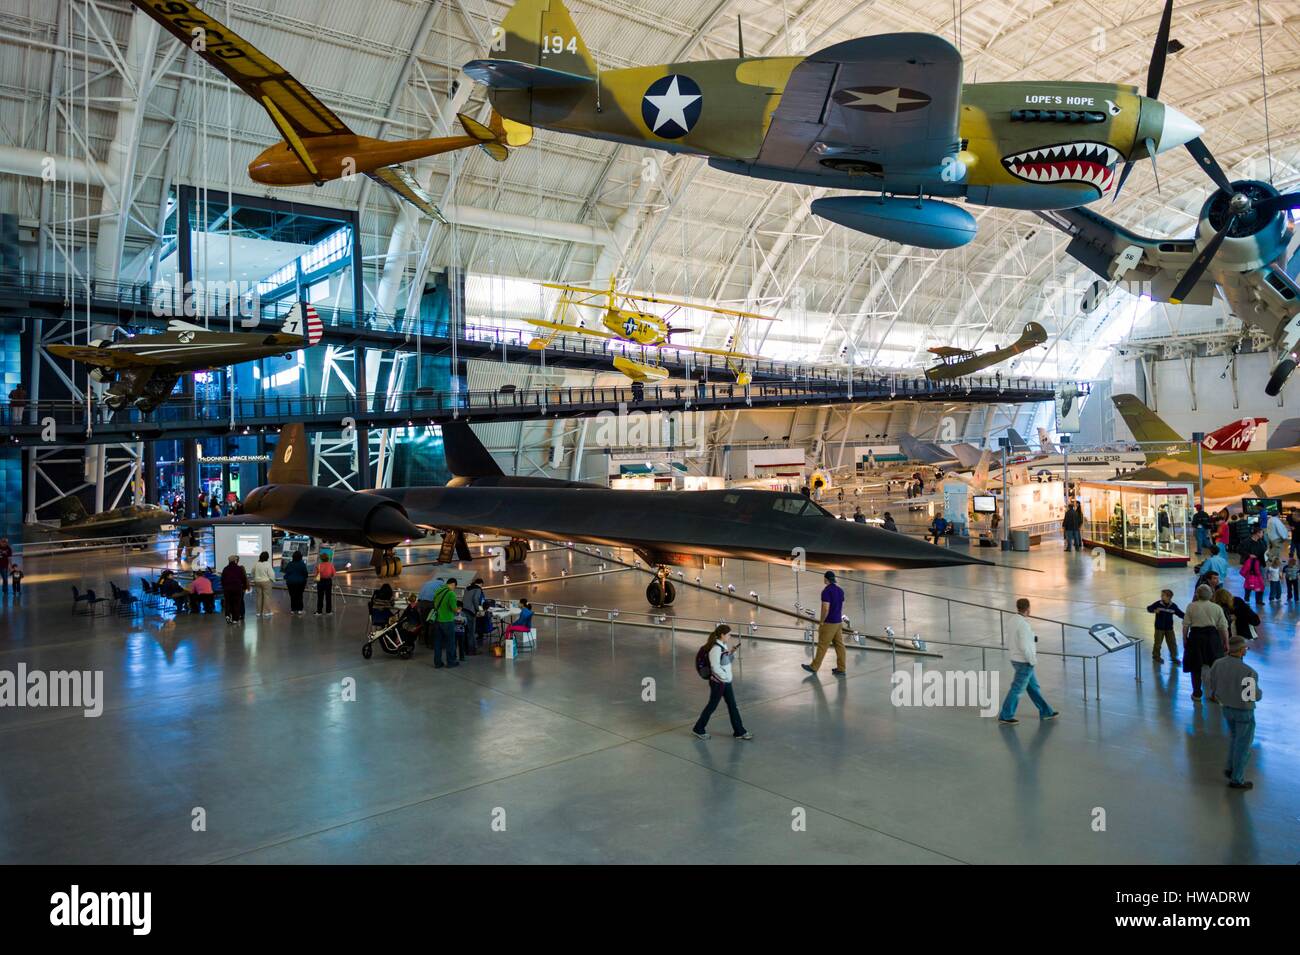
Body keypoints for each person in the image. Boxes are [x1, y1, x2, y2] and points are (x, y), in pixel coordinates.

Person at [1206, 635, 1262, 791]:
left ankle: (1230, 768)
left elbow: (1212, 683)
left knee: (1234, 738)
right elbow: (1252, 696)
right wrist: (1260, 693)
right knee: (1243, 746)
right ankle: (1237, 779)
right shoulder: (1248, 672)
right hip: (1244, 712)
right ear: (1242, 650)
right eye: (1246, 648)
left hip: (1226, 708)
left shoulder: (1218, 664)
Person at [997, 597, 1059, 724]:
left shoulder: (1013, 620)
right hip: (1024, 662)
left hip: (1015, 658)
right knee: (1017, 689)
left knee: (1033, 687)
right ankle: (1005, 715)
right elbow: (1024, 646)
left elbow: (1015, 639)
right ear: (1028, 609)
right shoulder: (1023, 624)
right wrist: (1032, 660)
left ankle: (1046, 711)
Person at [691, 625, 752, 741]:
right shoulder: (715, 649)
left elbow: (725, 662)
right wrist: (724, 677)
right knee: (712, 706)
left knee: (732, 706)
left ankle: (739, 731)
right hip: (719, 683)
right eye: (728, 634)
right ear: (722, 635)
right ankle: (698, 728)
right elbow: (715, 667)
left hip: (725, 682)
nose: (730, 636)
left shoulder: (722, 646)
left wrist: (732, 653)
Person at [1182, 585, 1229, 701]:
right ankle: (1216, 694)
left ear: (1197, 594)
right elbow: (1223, 627)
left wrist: (1185, 639)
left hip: (1196, 637)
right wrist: (1226, 642)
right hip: (1212, 637)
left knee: (1195, 666)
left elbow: (1185, 625)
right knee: (1215, 666)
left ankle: (1197, 693)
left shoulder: (1191, 606)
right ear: (1211, 595)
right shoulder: (1217, 608)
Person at [801, 570, 846, 677]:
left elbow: (825, 608)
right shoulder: (840, 590)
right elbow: (840, 604)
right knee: (840, 646)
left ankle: (814, 667)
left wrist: (821, 621)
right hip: (838, 622)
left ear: (826, 579)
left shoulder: (826, 591)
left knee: (822, 645)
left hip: (829, 623)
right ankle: (841, 668)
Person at [427, 577, 460, 669]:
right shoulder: (451, 594)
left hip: (437, 620)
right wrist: (458, 610)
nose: (454, 589)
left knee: (438, 643)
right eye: (455, 587)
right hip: (447, 621)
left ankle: (437, 663)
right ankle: (451, 662)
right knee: (450, 643)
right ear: (453, 584)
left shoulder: (438, 591)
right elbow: (454, 608)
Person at [1146, 589, 1183, 664]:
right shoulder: (1158, 604)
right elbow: (1149, 608)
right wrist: (1154, 610)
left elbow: (1180, 614)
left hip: (1169, 628)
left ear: (1168, 597)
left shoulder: (1173, 606)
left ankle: (1174, 657)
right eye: (1161, 595)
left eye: (1163, 595)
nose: (1161, 596)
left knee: (1172, 643)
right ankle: (1156, 656)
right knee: (1158, 643)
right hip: (1159, 628)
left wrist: (1188, 618)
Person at [417, 574, 445, 649]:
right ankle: (431, 644)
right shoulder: (442, 584)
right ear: (442, 581)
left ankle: (422, 641)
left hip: (420, 604)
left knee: (423, 623)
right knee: (432, 623)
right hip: (430, 604)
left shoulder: (427, 582)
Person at [220, 555, 248, 625]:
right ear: (235, 561)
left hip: (227, 589)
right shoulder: (239, 569)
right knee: (236, 603)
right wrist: (244, 587)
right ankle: (235, 619)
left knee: (228, 602)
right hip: (237, 588)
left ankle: (227, 615)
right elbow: (243, 579)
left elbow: (222, 579)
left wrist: (224, 587)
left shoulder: (225, 569)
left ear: (229, 561)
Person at [462, 577, 487, 655]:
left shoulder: (467, 588)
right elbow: (475, 599)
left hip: (464, 610)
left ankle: (465, 649)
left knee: (466, 631)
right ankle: (472, 650)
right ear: (481, 584)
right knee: (471, 632)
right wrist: (478, 609)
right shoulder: (478, 589)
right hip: (471, 612)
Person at [283, 550, 309, 616]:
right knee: (299, 595)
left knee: (292, 596)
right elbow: (305, 574)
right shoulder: (302, 564)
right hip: (300, 582)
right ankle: (300, 609)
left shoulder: (290, 564)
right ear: (301, 557)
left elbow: (286, 571)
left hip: (290, 582)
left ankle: (293, 609)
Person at [251, 551, 276, 617]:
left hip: (257, 582)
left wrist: (255, 578)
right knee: (266, 597)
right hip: (266, 582)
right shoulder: (267, 564)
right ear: (267, 557)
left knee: (259, 597)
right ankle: (267, 612)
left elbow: (252, 572)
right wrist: (273, 580)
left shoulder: (256, 564)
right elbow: (271, 574)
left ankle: (258, 612)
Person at [314, 550, 336, 615]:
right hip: (328, 581)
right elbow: (333, 574)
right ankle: (328, 611)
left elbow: (316, 576)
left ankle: (319, 611)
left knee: (320, 597)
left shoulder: (319, 566)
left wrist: (316, 580)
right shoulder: (331, 565)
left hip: (320, 582)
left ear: (321, 559)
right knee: (328, 596)